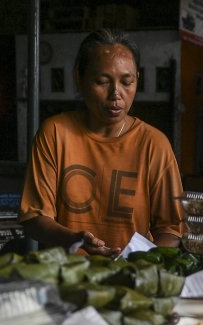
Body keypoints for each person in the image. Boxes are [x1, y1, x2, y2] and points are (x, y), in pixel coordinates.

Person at [19, 29, 183, 258]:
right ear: (79, 78)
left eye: (127, 82)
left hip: (132, 279)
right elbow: (34, 217)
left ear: (137, 79)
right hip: (67, 277)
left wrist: (136, 263)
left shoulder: (154, 145)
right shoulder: (55, 133)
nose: (116, 94)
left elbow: (171, 229)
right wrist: (74, 239)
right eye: (102, 82)